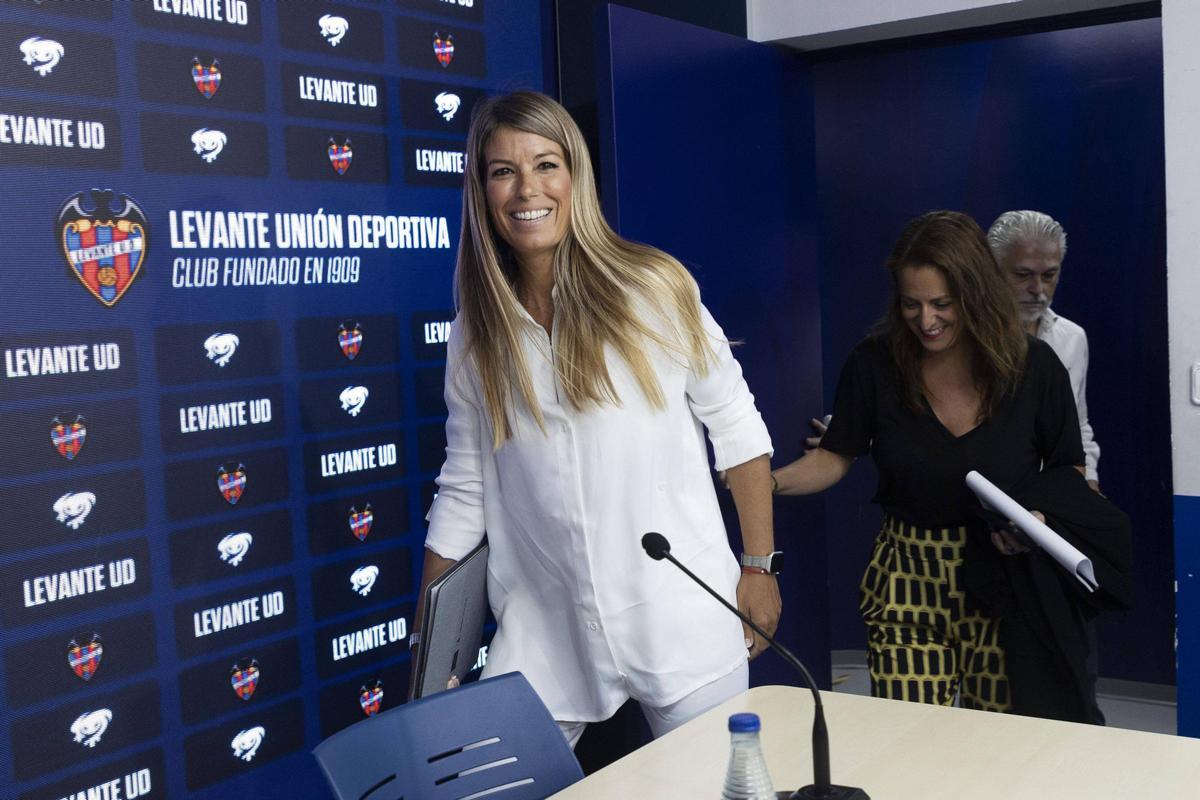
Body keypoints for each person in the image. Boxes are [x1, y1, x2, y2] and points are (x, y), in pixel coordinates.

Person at [413, 91, 779, 747]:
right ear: (482, 190)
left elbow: (737, 429)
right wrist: (432, 651)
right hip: (542, 631)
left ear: (573, 177)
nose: (527, 188)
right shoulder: (476, 333)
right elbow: (464, 487)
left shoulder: (655, 289)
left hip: (683, 616)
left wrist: (759, 566)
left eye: (546, 164)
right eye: (503, 171)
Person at [772, 210, 1085, 712]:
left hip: (1006, 579)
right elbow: (832, 459)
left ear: (976, 294)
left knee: (1000, 746)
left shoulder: (1035, 368)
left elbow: (1068, 468)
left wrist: (1040, 519)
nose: (927, 320)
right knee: (909, 739)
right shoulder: (874, 364)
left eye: (943, 304)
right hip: (906, 579)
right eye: (911, 304)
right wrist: (759, 485)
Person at [987, 210, 1100, 491]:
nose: (1038, 289)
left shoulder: (1072, 338)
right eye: (1023, 275)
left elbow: (1078, 426)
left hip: (1052, 501)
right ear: (991, 269)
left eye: (1049, 275)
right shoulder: (967, 339)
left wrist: (1089, 486)